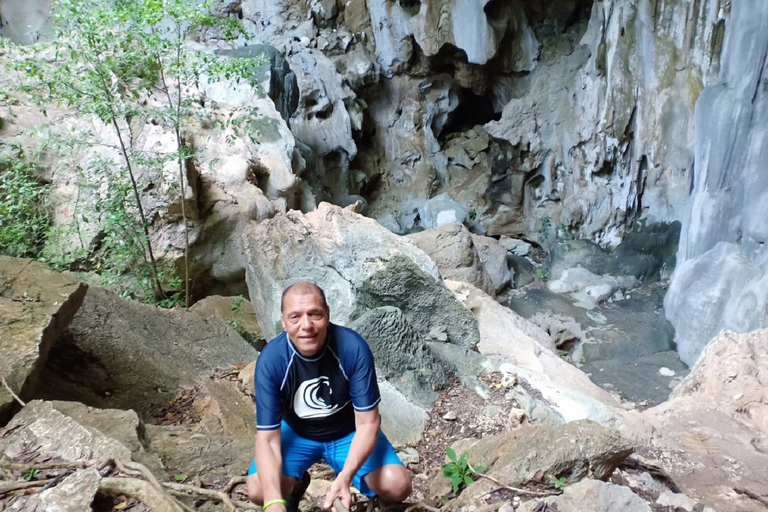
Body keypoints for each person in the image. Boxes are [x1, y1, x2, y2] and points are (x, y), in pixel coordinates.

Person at [246, 282, 412, 512]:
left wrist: (344, 477)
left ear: (328, 315)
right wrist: (273, 502)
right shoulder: (272, 360)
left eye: (315, 315)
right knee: (258, 489)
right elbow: (267, 439)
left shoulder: (352, 348)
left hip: (348, 433)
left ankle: (375, 495)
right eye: (295, 317)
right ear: (283, 321)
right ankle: (292, 489)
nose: (306, 325)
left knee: (397, 484)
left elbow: (368, 423)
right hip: (298, 433)